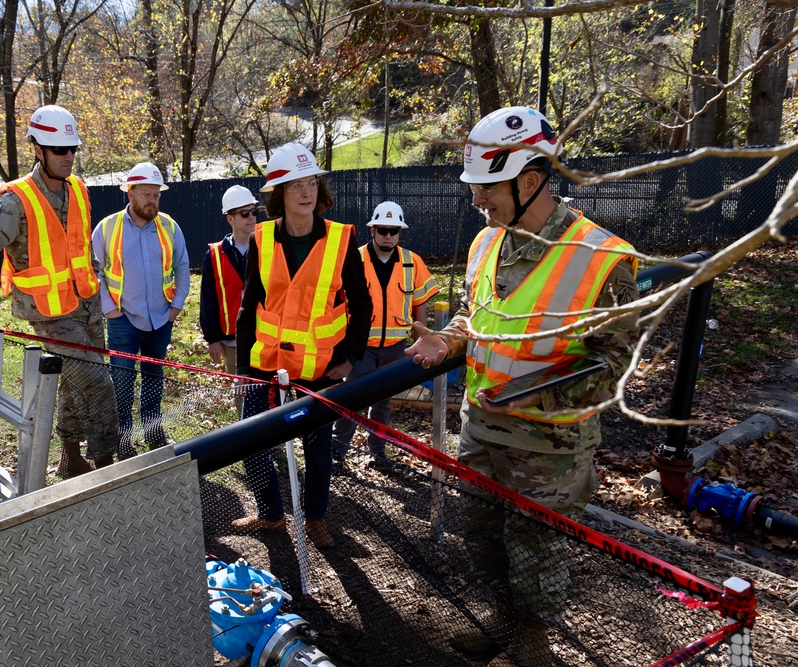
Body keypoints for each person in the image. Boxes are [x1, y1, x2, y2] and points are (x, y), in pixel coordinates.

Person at [406, 106, 639, 667]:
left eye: (487, 187)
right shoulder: (487, 242)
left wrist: (544, 395)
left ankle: (532, 643)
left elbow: (616, 365)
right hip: (482, 430)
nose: (476, 200)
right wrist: (449, 341)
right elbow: (477, 315)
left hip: (549, 447)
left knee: (536, 553)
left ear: (530, 181)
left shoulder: (601, 258)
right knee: (481, 534)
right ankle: (500, 621)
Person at [0, 104, 120, 479]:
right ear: (37, 149)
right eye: (60, 150)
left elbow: (80, 248)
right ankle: (107, 468)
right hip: (50, 313)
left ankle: (70, 457)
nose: (69, 157)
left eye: (73, 149)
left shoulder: (79, 189)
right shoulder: (16, 201)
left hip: (87, 305)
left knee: (72, 381)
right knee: (97, 383)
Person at [231, 142, 372, 550]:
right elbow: (248, 307)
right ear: (279, 194)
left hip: (320, 366)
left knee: (317, 449)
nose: (307, 192)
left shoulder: (341, 240)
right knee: (250, 443)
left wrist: (349, 359)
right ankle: (272, 515)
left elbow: (361, 306)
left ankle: (314, 519)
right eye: (296, 185)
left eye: (312, 182)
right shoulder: (262, 238)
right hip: (265, 364)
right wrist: (242, 371)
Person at [331, 201, 439, 468]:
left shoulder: (412, 262)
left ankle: (378, 454)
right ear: (372, 230)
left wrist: (422, 337)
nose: (388, 235)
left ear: (400, 232)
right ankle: (336, 453)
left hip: (395, 347)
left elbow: (420, 303)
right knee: (351, 399)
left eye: (394, 230)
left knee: (382, 403)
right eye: (383, 230)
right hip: (361, 347)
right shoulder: (354, 259)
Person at [92, 162, 190, 452]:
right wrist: (110, 309)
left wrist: (176, 306)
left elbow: (182, 266)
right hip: (122, 318)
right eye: (145, 193)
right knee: (121, 382)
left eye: (156, 194)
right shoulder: (107, 228)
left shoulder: (169, 226)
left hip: (161, 318)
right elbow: (94, 272)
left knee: (153, 377)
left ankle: (153, 432)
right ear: (130, 194)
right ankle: (124, 440)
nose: (152, 200)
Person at [200, 185, 259, 381]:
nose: (251, 217)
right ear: (230, 219)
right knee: (242, 390)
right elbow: (208, 300)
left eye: (253, 211)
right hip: (232, 340)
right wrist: (213, 339)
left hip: (265, 336)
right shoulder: (215, 255)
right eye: (244, 213)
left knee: (270, 391)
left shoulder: (268, 246)